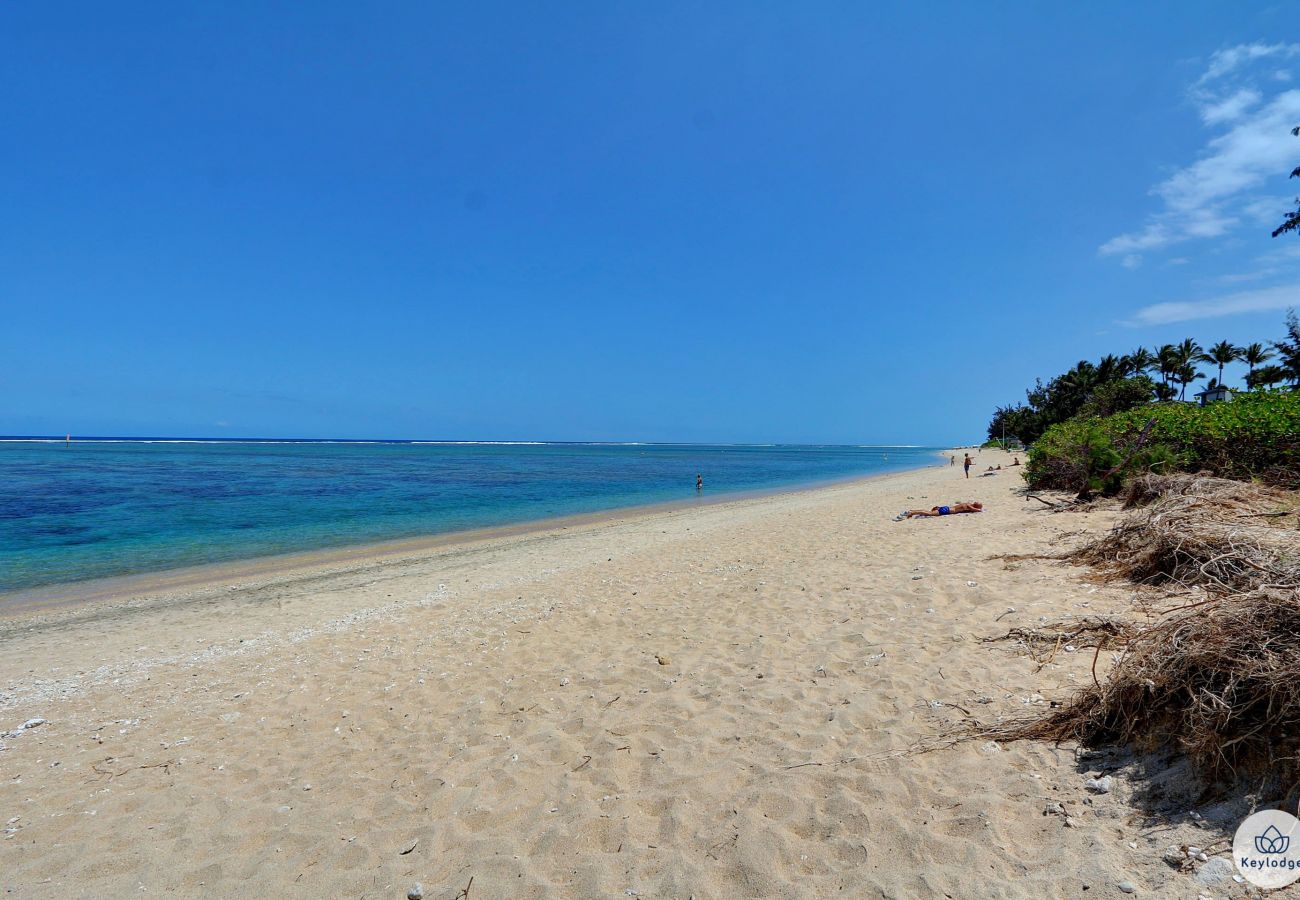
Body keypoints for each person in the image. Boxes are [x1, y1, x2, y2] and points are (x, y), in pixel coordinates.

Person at [895, 501, 983, 520]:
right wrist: (980, 510)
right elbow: (975, 510)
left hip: (947, 508)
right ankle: (912, 512)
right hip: (946, 510)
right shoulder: (968, 506)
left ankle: (912, 511)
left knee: (928, 512)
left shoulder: (967, 503)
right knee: (928, 513)